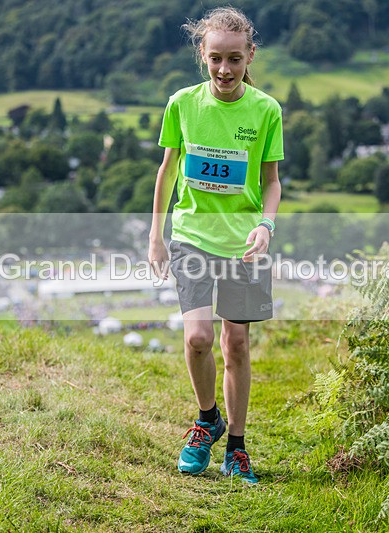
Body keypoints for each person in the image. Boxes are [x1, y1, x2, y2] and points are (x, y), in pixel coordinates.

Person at [147, 6, 283, 485]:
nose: (224, 70)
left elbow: (271, 180)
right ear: (202, 56)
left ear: (250, 56)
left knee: (237, 343)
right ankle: (208, 420)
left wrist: (266, 225)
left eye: (234, 59)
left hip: (243, 244)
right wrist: (157, 236)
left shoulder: (267, 110)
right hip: (191, 237)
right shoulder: (182, 103)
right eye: (215, 59)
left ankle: (238, 448)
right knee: (199, 338)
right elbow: (166, 171)